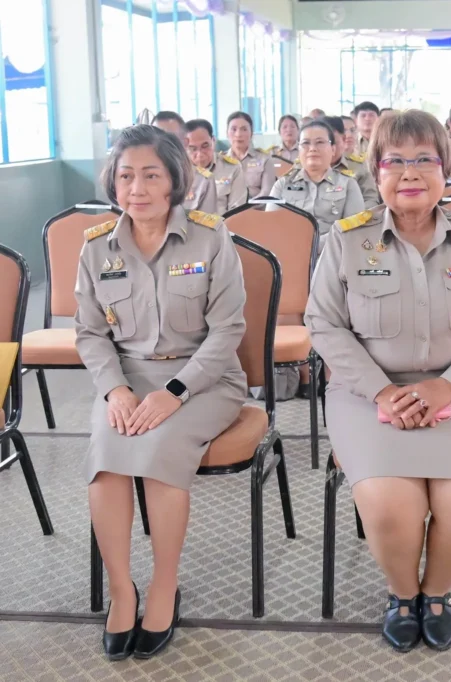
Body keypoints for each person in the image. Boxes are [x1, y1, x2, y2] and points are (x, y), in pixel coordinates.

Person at [305, 109, 451, 653]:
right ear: (375, 171)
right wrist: (381, 391)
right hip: (367, 394)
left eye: (424, 159)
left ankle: (437, 593)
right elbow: (323, 324)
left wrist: (449, 385)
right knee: (388, 504)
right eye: (394, 161)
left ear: (445, 168)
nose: (410, 172)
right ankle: (403, 595)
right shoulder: (347, 241)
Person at [75, 125, 247, 660]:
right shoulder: (96, 248)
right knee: (106, 461)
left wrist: (175, 391)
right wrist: (115, 391)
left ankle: (163, 586)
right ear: (113, 183)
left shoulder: (210, 236)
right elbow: (90, 334)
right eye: (126, 176)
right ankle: (121, 590)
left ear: (174, 180)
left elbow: (228, 330)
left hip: (204, 380)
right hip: (128, 381)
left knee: (159, 453)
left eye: (151, 175)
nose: (138, 188)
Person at [269, 119, 364, 252]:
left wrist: (313, 246)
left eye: (320, 142)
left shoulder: (348, 185)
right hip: (289, 255)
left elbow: (354, 230)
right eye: (306, 143)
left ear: (333, 149)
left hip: (333, 256)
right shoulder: (282, 185)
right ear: (299, 150)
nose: (312, 148)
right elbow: (271, 227)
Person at [151, 112, 217, 216]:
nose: (162, 144)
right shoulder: (138, 177)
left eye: (170, 138)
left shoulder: (203, 180)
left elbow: (206, 224)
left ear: (185, 142)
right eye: (155, 137)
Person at [184, 118, 247, 215]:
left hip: (224, 223)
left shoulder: (232, 168)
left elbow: (237, 211)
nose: (200, 154)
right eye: (193, 149)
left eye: (205, 146)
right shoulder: (178, 172)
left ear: (213, 141)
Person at [323, 115, 379, 207]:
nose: (332, 148)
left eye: (335, 142)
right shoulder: (303, 168)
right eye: (324, 143)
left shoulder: (359, 166)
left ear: (343, 139)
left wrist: (353, 214)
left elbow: (371, 199)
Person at [222, 111, 276, 199]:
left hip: (257, 206)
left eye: (244, 129)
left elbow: (267, 192)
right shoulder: (219, 161)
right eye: (234, 129)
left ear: (251, 133)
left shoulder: (265, 159)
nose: (238, 134)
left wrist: (248, 206)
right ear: (226, 133)